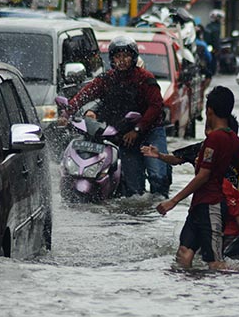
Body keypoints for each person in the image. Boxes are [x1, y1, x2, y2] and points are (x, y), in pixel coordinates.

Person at [146, 86, 239, 269]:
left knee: (215, 262)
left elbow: (203, 176)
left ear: (209, 111)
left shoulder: (213, 140)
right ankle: (188, 295)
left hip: (212, 206)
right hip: (198, 206)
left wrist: (173, 201)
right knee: (183, 254)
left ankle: (229, 294)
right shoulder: (234, 139)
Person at [64, 34, 169, 197]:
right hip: (125, 136)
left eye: (126, 56)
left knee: (157, 175)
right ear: (112, 59)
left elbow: (156, 107)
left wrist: (137, 129)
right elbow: (86, 94)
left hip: (150, 131)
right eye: (118, 56)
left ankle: (160, 203)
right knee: (133, 189)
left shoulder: (145, 78)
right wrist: (67, 111)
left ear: (133, 57)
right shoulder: (107, 79)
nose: (122, 60)